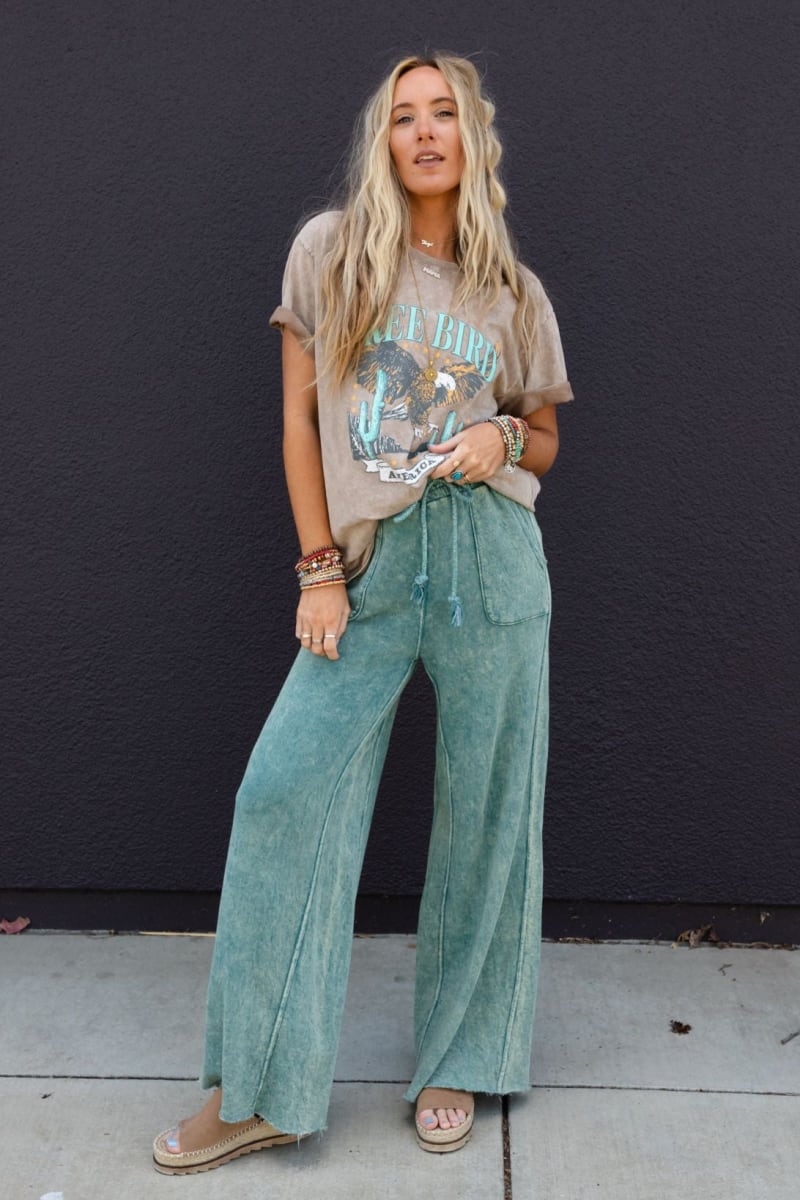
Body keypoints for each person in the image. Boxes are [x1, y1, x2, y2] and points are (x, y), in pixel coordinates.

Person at [153, 51, 572, 1175]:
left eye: (443, 114)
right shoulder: (331, 252)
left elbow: (542, 439)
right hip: (371, 565)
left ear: (471, 137)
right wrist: (318, 570)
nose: (424, 132)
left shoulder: (512, 289)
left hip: (490, 561)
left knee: (487, 815)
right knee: (282, 794)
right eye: (403, 117)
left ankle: (459, 1060)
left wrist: (498, 436)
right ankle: (256, 1090)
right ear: (382, 141)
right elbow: (300, 424)